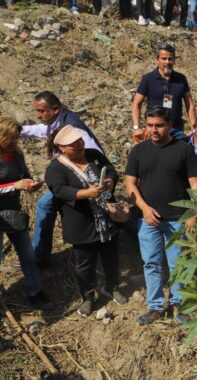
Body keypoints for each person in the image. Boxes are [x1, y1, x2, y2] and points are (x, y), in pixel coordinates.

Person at [125, 108, 197, 326]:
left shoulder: (183, 150)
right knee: (151, 263)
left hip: (178, 218)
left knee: (178, 264)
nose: (153, 130)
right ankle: (156, 306)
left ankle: (179, 304)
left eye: (158, 125)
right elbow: (130, 184)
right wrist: (144, 208)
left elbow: (195, 184)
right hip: (149, 220)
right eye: (149, 125)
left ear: (169, 125)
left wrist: (192, 213)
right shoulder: (139, 151)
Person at [45, 126, 128, 316]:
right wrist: (85, 193)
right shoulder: (56, 168)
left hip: (106, 219)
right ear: (62, 148)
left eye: (80, 141)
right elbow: (59, 191)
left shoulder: (93, 155)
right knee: (85, 263)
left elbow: (112, 172)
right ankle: (88, 296)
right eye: (74, 145)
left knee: (111, 256)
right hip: (83, 223)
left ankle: (112, 287)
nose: (80, 145)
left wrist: (110, 182)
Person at [22, 91, 105, 268]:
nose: (38, 115)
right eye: (36, 111)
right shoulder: (56, 121)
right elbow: (42, 130)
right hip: (68, 178)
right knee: (46, 206)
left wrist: (94, 183)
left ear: (55, 109)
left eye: (41, 111)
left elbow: (94, 153)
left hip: (81, 181)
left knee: (45, 205)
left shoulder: (74, 127)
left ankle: (40, 258)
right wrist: (18, 130)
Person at [0, 117, 49, 310]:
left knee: (27, 254)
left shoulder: (16, 154)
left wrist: (30, 184)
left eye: (16, 138)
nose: (14, 143)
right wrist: (13, 186)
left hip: (13, 213)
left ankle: (35, 292)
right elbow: (13, 184)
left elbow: (24, 175)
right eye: (10, 139)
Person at [132, 44, 196, 141]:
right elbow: (136, 104)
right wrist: (136, 127)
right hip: (155, 130)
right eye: (164, 58)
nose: (167, 62)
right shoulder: (148, 79)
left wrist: (193, 127)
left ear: (174, 60)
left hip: (176, 130)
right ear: (157, 60)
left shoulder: (181, 79)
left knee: (180, 155)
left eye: (170, 59)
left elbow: (189, 104)